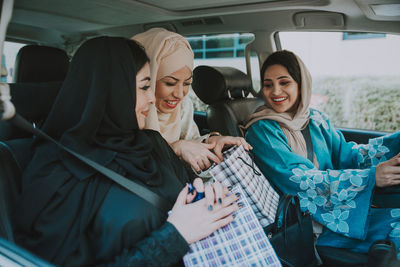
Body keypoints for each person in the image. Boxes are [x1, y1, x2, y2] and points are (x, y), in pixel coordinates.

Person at [14, 37, 240, 266]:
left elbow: (187, 195)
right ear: (109, 90)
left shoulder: (152, 143)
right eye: (144, 87)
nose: (152, 99)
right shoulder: (57, 171)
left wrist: (205, 198)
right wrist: (175, 235)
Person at [242, 50, 400, 254]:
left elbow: (348, 155)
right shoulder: (262, 130)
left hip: (339, 207)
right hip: (310, 223)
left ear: (301, 84)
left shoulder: (315, 119)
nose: (275, 92)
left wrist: (396, 142)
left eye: (284, 82)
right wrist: (370, 177)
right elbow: (300, 181)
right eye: (268, 85)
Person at [132, 28, 252, 173]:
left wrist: (211, 141)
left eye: (187, 83)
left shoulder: (182, 106)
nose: (179, 94)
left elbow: (190, 140)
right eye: (170, 83)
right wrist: (174, 149)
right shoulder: (131, 113)